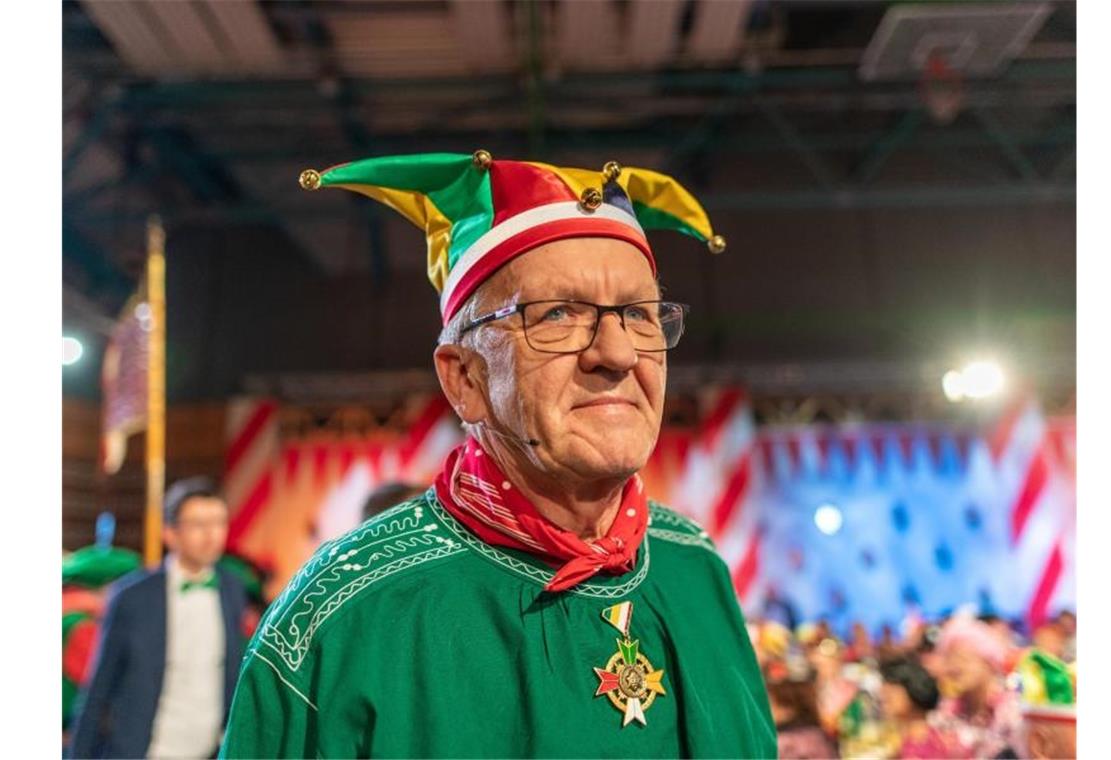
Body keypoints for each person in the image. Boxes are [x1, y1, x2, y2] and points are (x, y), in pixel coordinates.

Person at [220, 152, 777, 757]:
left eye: (640, 314)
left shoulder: (694, 564)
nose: (617, 354)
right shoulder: (338, 617)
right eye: (559, 315)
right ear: (466, 379)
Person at [69, 478, 249, 759]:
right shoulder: (131, 597)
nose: (211, 534)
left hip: (210, 750)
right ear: (170, 533)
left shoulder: (232, 587)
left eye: (219, 522)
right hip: (146, 750)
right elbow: (99, 689)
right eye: (198, 525)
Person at [930, 615, 1026, 758]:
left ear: (988, 662)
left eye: (962, 659)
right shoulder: (948, 711)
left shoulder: (1012, 710)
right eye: (948, 660)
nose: (953, 667)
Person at [880, 658, 970, 759]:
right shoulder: (920, 736)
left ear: (914, 692)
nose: (883, 698)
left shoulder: (919, 743)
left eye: (890, 694)